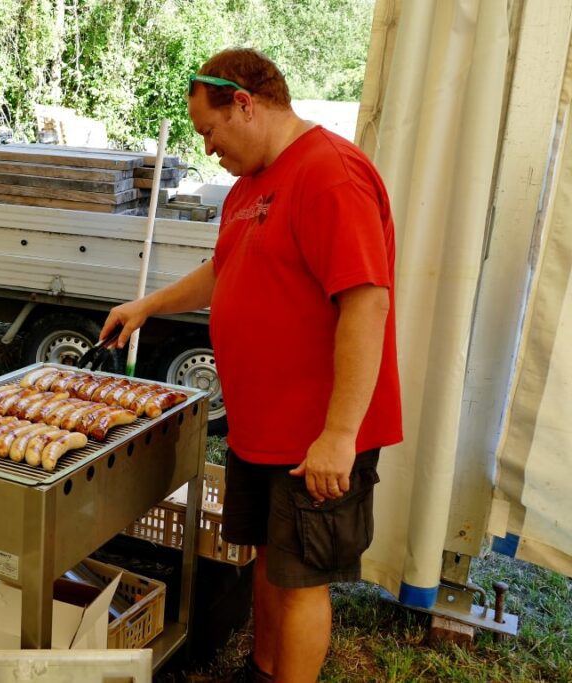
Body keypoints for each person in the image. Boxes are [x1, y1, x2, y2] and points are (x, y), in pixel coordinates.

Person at [101, 48, 402, 683]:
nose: (208, 149)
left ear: (245, 102)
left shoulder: (330, 174)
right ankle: (263, 669)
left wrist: (339, 435)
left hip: (313, 436)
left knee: (301, 581)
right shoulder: (248, 187)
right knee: (266, 559)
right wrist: (149, 305)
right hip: (261, 428)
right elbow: (225, 269)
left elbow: (366, 306)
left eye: (209, 131)